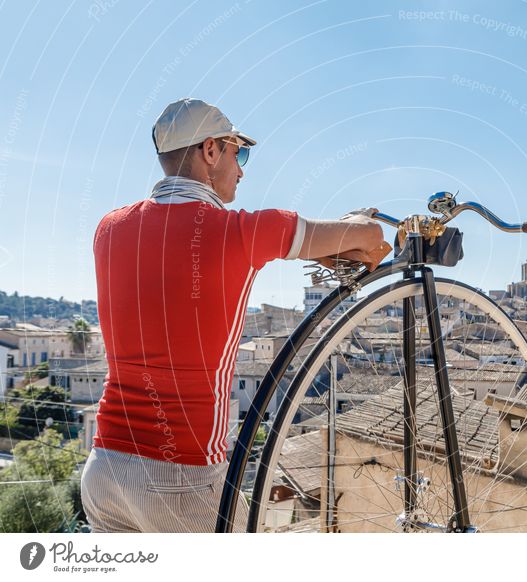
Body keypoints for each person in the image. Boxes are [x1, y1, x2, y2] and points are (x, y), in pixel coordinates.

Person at [81, 98, 389, 532]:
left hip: (104, 468)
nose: (242, 169)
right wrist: (355, 226)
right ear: (210, 151)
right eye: (237, 153)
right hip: (182, 479)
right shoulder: (240, 232)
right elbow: (371, 235)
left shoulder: (108, 228)